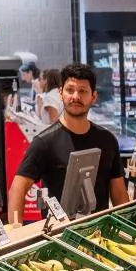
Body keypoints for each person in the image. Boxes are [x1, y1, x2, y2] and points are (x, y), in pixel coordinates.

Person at [7, 62, 128, 223]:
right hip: (57, 239)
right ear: (60, 93)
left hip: (100, 237)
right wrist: (17, 234)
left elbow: (119, 195)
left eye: (83, 91)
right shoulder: (44, 142)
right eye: (70, 90)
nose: (76, 97)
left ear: (93, 97)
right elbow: (18, 188)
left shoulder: (107, 140)